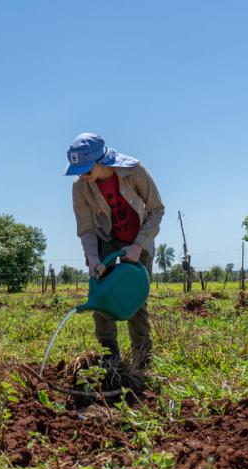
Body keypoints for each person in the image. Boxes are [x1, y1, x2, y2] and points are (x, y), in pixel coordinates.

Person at [65, 133, 164, 369]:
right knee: (100, 297)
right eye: (78, 170)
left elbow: (156, 210)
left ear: (101, 160)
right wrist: (93, 258)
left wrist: (138, 246)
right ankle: (109, 356)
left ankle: (142, 360)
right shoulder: (80, 187)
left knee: (136, 300)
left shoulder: (133, 170)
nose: (82, 175)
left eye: (87, 169)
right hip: (106, 238)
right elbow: (86, 228)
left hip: (138, 238)